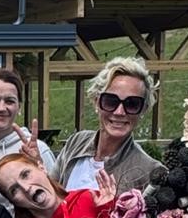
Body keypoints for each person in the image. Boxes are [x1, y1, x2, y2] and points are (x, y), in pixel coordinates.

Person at [54, 57, 159, 194]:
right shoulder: (76, 143)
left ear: (144, 109)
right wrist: (35, 166)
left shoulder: (150, 171)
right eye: (110, 101)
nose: (119, 112)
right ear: (96, 102)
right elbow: (52, 197)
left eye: (132, 104)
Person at [0, 67, 59, 207]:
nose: (1, 108)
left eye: (9, 101)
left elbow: (57, 200)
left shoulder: (38, 149)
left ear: (19, 107)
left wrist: (39, 166)